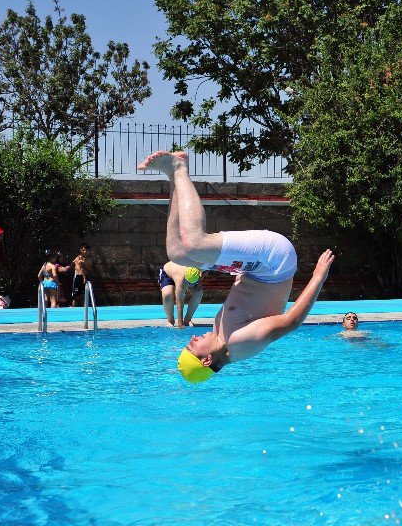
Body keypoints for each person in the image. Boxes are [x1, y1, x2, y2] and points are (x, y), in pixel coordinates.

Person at [137, 150, 334, 383]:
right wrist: (318, 277)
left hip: (253, 270)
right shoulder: (242, 343)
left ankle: (174, 177)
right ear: (207, 360)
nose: (192, 340)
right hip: (273, 263)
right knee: (195, 244)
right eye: (193, 347)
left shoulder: (221, 336)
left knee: (177, 253)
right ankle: (179, 168)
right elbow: (291, 321)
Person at [159, 261, 206, 328]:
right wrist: (180, 325)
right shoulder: (180, 280)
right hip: (167, 274)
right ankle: (170, 320)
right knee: (167, 294)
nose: (189, 285)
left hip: (189, 276)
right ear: (186, 280)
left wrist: (199, 280)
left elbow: (208, 269)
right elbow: (179, 304)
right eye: (189, 283)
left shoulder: (200, 266)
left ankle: (187, 320)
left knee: (198, 292)